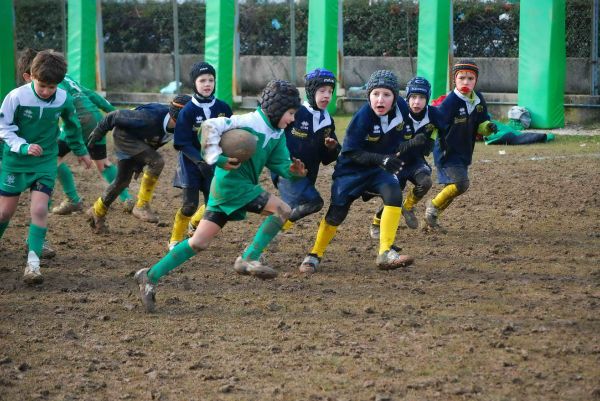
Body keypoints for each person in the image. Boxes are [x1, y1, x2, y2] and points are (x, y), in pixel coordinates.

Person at [133, 80, 306, 313]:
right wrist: (218, 158)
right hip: (233, 186)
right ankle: (248, 258)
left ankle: (149, 276)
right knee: (282, 210)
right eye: (291, 113)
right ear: (277, 109)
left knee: (198, 242)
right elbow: (209, 127)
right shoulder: (247, 121)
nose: (293, 119)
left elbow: (281, 164)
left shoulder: (277, 134)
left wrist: (293, 171)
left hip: (226, 189)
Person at [298, 70, 425, 274]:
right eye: (375, 94)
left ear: (395, 97)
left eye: (386, 94)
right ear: (369, 96)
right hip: (350, 171)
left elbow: (402, 135)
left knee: (394, 193)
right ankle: (314, 254)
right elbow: (350, 152)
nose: (380, 100)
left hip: (377, 170)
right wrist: (381, 159)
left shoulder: (402, 109)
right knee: (337, 214)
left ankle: (385, 252)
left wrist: (412, 142)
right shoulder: (362, 118)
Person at [0, 50, 92, 284]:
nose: (47, 91)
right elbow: (4, 127)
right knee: (4, 213)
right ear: (30, 76)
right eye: (42, 86)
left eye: (52, 87)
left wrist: (81, 151)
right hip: (15, 161)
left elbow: (72, 126)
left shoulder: (63, 98)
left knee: (40, 210)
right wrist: (22, 146)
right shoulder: (16, 97)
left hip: (45, 161)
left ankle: (33, 264)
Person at [16, 48, 133, 216]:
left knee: (52, 158)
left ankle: (72, 199)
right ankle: (126, 198)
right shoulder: (64, 77)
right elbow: (91, 94)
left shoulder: (47, 81)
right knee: (102, 163)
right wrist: (116, 113)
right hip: (95, 118)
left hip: (77, 121)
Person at [85, 95, 192, 233]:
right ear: (176, 116)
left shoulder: (178, 126)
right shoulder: (150, 117)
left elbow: (155, 139)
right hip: (124, 136)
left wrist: (140, 161)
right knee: (157, 162)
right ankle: (141, 205)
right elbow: (115, 116)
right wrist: (99, 132)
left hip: (138, 140)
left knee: (122, 182)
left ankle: (97, 211)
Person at [270, 68, 340, 244]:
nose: (327, 96)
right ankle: (270, 237)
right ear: (310, 91)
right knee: (314, 203)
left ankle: (268, 237)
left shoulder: (327, 120)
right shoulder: (295, 112)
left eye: (330, 91)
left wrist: (332, 148)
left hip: (308, 175)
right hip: (287, 171)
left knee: (287, 210)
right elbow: (273, 133)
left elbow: (327, 158)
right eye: (322, 90)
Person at [167, 62, 232, 251]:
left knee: (214, 202)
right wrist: (199, 160)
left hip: (214, 163)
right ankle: (175, 239)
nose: (207, 84)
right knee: (189, 205)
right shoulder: (187, 111)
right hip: (191, 164)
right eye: (202, 80)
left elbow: (231, 134)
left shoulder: (223, 108)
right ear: (194, 84)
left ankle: (194, 225)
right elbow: (181, 142)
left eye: (211, 80)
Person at [368, 76, 445, 236]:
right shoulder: (397, 115)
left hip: (416, 162)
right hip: (396, 162)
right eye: (413, 97)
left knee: (426, 182)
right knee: (393, 196)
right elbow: (392, 147)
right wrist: (413, 142)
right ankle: (376, 223)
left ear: (427, 99)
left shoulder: (434, 114)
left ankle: (408, 206)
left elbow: (444, 128)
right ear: (407, 98)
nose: (417, 102)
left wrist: (432, 139)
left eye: (422, 97)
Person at [425, 60, 497, 229]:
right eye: (461, 78)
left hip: (464, 150)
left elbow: (482, 122)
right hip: (446, 150)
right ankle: (433, 207)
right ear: (454, 80)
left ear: (476, 80)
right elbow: (435, 122)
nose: (466, 82)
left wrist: (488, 127)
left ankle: (432, 218)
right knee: (461, 184)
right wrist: (427, 141)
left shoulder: (478, 100)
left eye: (470, 78)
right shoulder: (450, 102)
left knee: (455, 187)